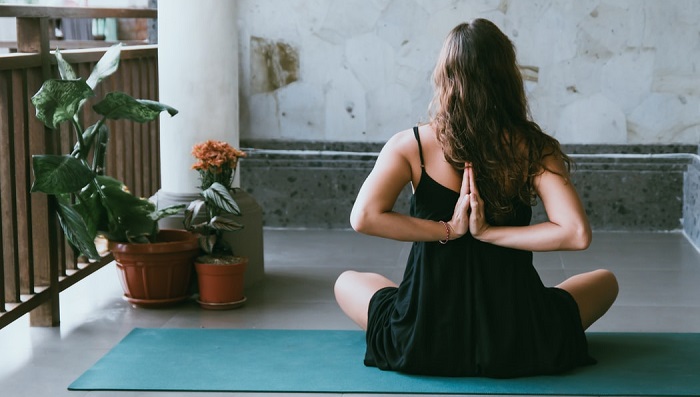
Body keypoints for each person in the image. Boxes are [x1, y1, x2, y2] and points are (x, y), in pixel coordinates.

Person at [334, 19, 619, 378]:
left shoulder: (411, 145)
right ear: (506, 78)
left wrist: (449, 230)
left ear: (445, 77)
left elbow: (364, 217)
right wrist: (488, 233)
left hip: (423, 337)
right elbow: (576, 234)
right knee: (606, 280)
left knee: (347, 281)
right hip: (519, 338)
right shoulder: (533, 148)